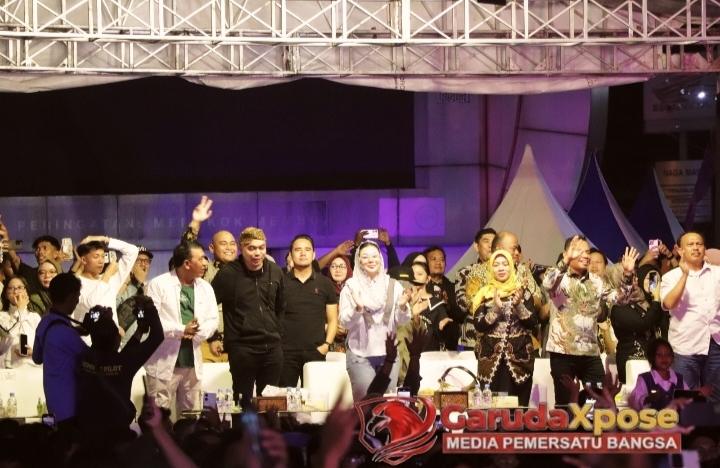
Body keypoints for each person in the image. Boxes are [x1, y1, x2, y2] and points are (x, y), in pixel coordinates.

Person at [543, 235, 638, 406]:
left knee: (598, 401)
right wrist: (566, 260)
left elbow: (621, 299)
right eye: (579, 251)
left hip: (590, 352)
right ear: (566, 253)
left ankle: (593, 425)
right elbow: (548, 284)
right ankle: (567, 425)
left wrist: (628, 274)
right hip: (563, 352)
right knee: (565, 404)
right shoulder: (560, 277)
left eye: (587, 252)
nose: (586, 255)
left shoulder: (596, 281)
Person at [211, 227, 285, 403]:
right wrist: (212, 337)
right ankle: (241, 424)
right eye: (251, 248)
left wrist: (278, 331)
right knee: (242, 403)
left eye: (261, 247)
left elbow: (281, 306)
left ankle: (267, 425)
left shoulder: (275, 271)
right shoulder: (227, 274)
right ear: (241, 248)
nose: (257, 253)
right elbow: (207, 306)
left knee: (269, 404)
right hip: (242, 348)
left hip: (272, 348)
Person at [144, 241, 219, 413]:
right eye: (201, 259)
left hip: (192, 363)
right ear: (187, 263)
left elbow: (213, 320)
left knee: (191, 415)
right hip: (163, 361)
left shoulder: (206, 288)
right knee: (158, 415)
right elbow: (151, 320)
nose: (205, 263)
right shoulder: (158, 284)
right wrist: (182, 329)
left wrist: (196, 332)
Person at [77, 298, 164, 436]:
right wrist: (149, 306)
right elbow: (157, 336)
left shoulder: (84, 356)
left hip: (87, 429)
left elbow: (117, 357)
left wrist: (140, 330)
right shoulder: (124, 362)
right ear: (117, 339)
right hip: (116, 432)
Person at [339, 241, 411, 402]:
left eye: (374, 256)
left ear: (380, 258)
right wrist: (358, 308)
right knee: (366, 406)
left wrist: (402, 306)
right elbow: (344, 323)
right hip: (360, 355)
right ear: (359, 260)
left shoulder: (393, 285)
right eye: (365, 257)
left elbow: (402, 321)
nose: (371, 260)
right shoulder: (351, 287)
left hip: (389, 356)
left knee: (388, 406)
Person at [660, 231, 720, 402]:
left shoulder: (717, 273)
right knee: (684, 397)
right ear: (680, 250)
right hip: (685, 346)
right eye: (690, 244)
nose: (695, 248)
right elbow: (669, 304)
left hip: (715, 344)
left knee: (715, 397)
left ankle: (711, 421)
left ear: (704, 248)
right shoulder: (671, 277)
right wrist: (684, 275)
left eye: (699, 244)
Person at [472, 250, 537, 406]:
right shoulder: (484, 293)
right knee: (491, 408)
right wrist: (496, 309)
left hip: (520, 359)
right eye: (496, 265)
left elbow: (533, 323)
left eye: (505, 264)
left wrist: (519, 305)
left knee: (518, 408)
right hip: (489, 359)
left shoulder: (523, 292)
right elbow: (479, 325)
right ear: (490, 268)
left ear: (511, 266)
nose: (501, 268)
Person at [181, 196, 237, 363]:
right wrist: (195, 223)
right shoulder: (204, 269)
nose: (229, 247)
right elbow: (187, 251)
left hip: (239, 345)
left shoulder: (244, 272)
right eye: (224, 243)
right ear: (212, 248)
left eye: (232, 243)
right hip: (207, 343)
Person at [278, 235, 338, 387]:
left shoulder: (325, 283)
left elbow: (332, 319)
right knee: (284, 398)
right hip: (286, 353)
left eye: (307, 249)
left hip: (316, 351)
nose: (303, 253)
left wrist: (326, 345)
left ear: (313, 254)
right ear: (291, 255)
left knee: (316, 398)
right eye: (298, 250)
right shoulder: (281, 282)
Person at [32, 273, 88, 428]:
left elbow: (37, 358)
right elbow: (91, 358)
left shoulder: (44, 323)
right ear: (70, 298)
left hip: (53, 404)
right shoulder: (64, 332)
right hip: (70, 408)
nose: (77, 301)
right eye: (77, 297)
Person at [607, 264, 663, 384]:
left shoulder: (644, 302)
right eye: (629, 277)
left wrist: (654, 296)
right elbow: (643, 324)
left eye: (634, 275)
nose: (635, 279)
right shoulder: (619, 307)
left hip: (651, 359)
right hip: (632, 361)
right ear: (619, 280)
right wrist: (656, 300)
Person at [74, 236, 139, 330]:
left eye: (103, 256)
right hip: (87, 338)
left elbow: (133, 251)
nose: (101, 261)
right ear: (83, 260)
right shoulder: (75, 282)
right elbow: (89, 304)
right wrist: (107, 275)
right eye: (96, 257)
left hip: (112, 337)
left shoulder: (111, 278)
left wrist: (104, 239)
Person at [455, 228, 496, 352]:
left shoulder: (505, 271)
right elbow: (463, 304)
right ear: (476, 246)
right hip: (473, 335)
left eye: (494, 241)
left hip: (500, 333)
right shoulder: (465, 272)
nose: (490, 245)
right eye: (486, 241)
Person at [628, 338, 692, 411]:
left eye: (668, 354)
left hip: (676, 418)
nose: (664, 358)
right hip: (652, 418)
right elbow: (634, 402)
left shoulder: (679, 379)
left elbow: (688, 400)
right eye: (659, 355)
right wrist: (648, 399)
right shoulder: (645, 379)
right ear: (652, 357)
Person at [423, 245, 463, 351]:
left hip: (449, 346)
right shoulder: (421, 288)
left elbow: (461, 316)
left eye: (442, 259)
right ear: (425, 264)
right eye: (433, 259)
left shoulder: (454, 287)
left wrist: (448, 306)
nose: (438, 263)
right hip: (426, 345)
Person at [0, 276, 41, 368]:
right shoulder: (2, 316)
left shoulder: (35, 317)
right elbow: (10, 333)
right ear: (6, 294)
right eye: (11, 288)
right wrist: (20, 310)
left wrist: (34, 352)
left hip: (33, 367)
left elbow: (44, 345)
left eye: (20, 288)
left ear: (27, 292)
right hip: (8, 368)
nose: (15, 291)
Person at [116, 246, 153, 330]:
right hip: (124, 337)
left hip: (146, 336)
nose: (143, 264)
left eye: (146, 261)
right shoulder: (120, 284)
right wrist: (126, 281)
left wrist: (143, 281)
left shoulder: (152, 286)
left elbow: (155, 306)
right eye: (139, 260)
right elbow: (113, 307)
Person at [322, 255, 352, 352]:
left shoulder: (354, 291)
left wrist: (347, 329)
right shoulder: (323, 291)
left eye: (342, 266)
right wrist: (328, 327)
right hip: (327, 344)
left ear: (348, 269)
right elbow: (312, 319)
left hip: (352, 346)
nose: (338, 270)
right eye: (334, 266)